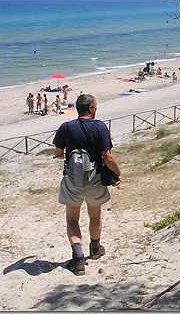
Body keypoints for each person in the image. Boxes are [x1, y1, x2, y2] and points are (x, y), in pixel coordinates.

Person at [53, 94, 121, 276]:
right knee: (95, 215)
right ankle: (96, 248)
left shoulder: (66, 127)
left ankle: (78, 259)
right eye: (95, 106)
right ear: (91, 109)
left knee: (72, 219)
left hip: (72, 180)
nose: (96, 109)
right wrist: (117, 172)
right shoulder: (100, 127)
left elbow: (59, 153)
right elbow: (107, 157)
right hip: (95, 179)